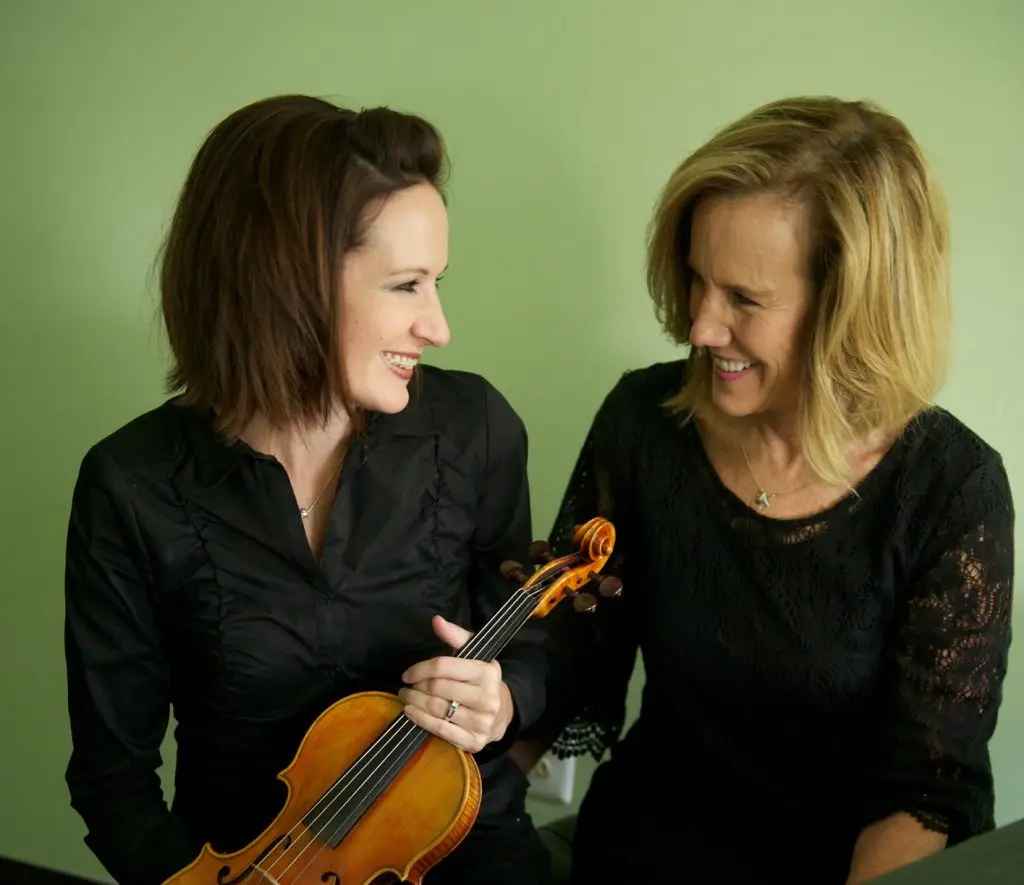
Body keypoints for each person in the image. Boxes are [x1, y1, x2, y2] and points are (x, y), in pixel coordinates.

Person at [63, 94, 551, 885]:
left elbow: (529, 642)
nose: (438, 326)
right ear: (287, 281)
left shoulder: (475, 428)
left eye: (436, 282)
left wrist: (503, 700)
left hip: (458, 854)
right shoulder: (132, 484)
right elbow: (112, 779)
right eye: (406, 285)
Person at [525, 96, 1015, 884]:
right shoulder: (643, 421)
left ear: (853, 311)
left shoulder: (952, 488)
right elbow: (565, 669)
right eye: (696, 280)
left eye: (744, 299)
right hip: (639, 852)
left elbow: (922, 793)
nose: (700, 326)